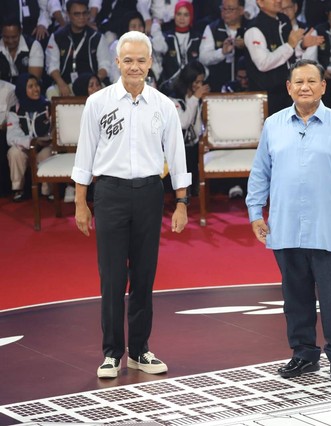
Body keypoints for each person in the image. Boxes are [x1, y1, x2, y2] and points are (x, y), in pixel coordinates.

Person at [246, 59, 331, 381]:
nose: (305, 87)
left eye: (311, 81)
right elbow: (260, 173)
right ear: (289, 87)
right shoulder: (273, 125)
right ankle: (303, 354)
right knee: (295, 299)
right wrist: (254, 213)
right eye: (298, 82)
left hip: (330, 228)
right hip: (286, 226)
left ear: (323, 87)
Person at [71, 30, 191, 379]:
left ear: (150, 63)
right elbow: (84, 155)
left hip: (150, 194)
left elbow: (178, 158)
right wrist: (81, 201)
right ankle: (111, 353)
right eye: (128, 60)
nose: (134, 66)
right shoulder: (98, 103)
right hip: (109, 194)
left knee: (143, 275)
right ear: (117, 63)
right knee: (111, 276)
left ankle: (139, 350)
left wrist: (181, 202)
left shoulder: (164, 106)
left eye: (141, 60)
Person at [244, 0, 323, 115]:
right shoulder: (254, 29)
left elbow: (289, 54)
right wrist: (290, 45)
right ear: (260, 2)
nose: (278, 1)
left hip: (288, 91)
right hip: (266, 96)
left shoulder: (284, 20)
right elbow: (263, 63)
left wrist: (302, 45)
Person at [44, 0, 110, 98]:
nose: (81, 17)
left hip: (92, 84)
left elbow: (105, 65)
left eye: (84, 13)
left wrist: (94, 83)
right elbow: (52, 65)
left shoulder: (97, 37)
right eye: (77, 14)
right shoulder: (57, 37)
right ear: (68, 15)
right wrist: (61, 84)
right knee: (51, 92)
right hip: (66, 84)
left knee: (107, 92)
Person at [6, 74, 51, 202]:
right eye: (30, 86)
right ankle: (18, 188)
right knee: (14, 152)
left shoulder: (48, 106)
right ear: (22, 89)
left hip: (44, 146)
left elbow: (53, 130)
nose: (35, 89)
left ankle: (47, 190)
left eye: (36, 85)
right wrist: (31, 143)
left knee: (47, 153)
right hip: (26, 147)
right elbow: (12, 136)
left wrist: (42, 142)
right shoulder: (15, 110)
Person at [170, 60, 209, 193]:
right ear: (188, 81)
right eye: (196, 82)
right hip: (178, 149)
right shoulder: (173, 98)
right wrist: (194, 99)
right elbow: (184, 123)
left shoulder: (198, 98)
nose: (200, 86)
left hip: (195, 145)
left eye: (201, 82)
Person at [151, 0, 201, 95]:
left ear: (191, 16)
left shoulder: (197, 38)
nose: (182, 18)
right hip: (170, 89)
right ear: (174, 15)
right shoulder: (166, 37)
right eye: (179, 14)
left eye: (186, 15)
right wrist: (156, 26)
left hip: (192, 89)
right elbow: (158, 47)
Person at [198, 0, 248, 92]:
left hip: (247, 89)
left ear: (241, 10)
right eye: (223, 8)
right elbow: (203, 58)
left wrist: (248, 45)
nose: (225, 12)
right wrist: (222, 52)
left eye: (230, 9)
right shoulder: (213, 28)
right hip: (218, 88)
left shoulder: (251, 28)